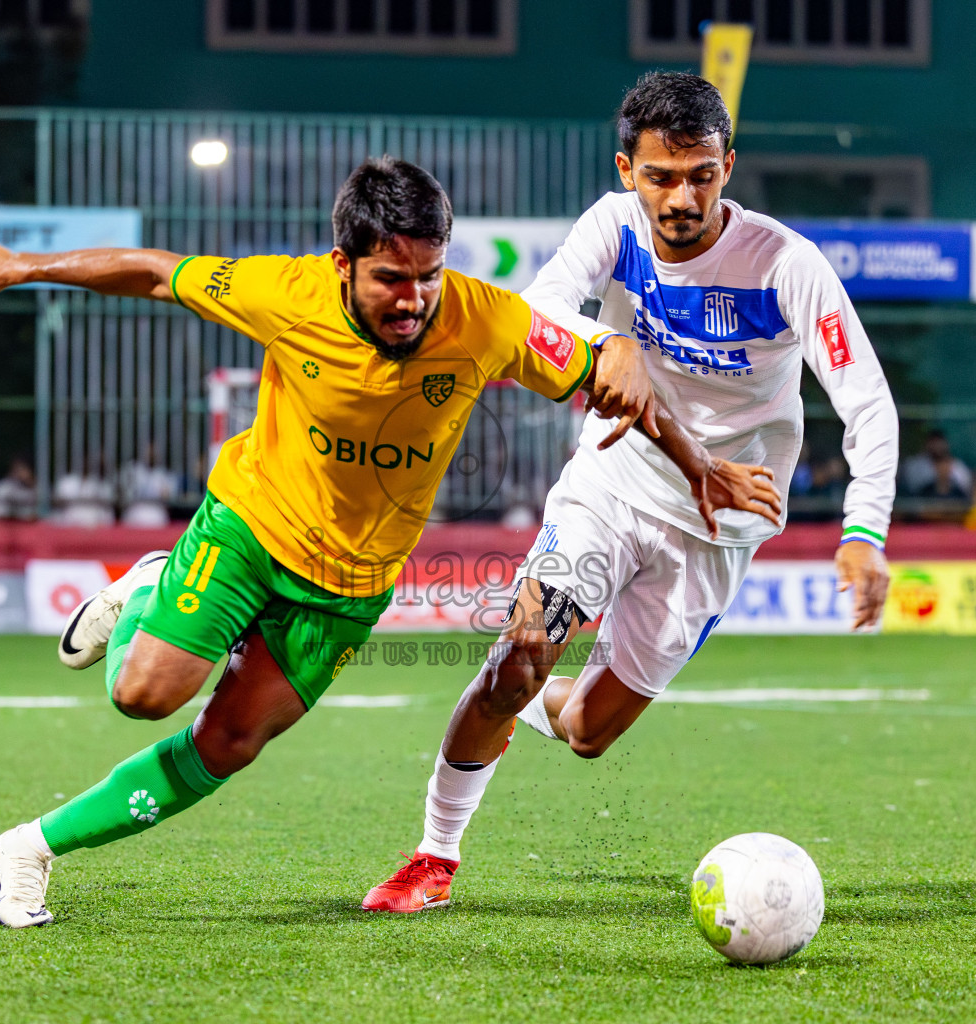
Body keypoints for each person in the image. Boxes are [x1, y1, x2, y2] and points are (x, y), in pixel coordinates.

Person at [0, 156, 766, 929]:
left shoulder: (486, 320)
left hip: (351, 585)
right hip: (250, 527)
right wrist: (22, 265)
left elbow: (606, 376)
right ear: (343, 263)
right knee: (142, 695)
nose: (413, 298)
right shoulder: (285, 291)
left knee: (229, 744)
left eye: (428, 275)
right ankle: (148, 589)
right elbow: (158, 272)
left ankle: (26, 849)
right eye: (390, 278)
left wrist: (694, 458)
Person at [361, 73, 897, 913]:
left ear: (729, 167)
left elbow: (865, 399)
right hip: (612, 483)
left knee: (587, 736)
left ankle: (534, 708)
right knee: (519, 657)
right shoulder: (612, 229)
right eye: (661, 175)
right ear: (627, 170)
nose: (681, 196)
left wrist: (863, 533)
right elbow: (534, 307)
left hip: (718, 529)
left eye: (701, 174)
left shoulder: (787, 264)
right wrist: (610, 342)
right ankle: (435, 856)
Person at [901, 428, 969, 497]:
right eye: (933, 442)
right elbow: (913, 488)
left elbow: (964, 489)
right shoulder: (915, 465)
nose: (937, 446)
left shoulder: (958, 467)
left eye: (940, 442)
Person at [0, 456, 38, 521]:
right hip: (4, 526)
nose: (20, 473)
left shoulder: (38, 488)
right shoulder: (1, 487)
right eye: (17, 469)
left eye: (24, 469)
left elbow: (39, 515)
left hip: (29, 527)